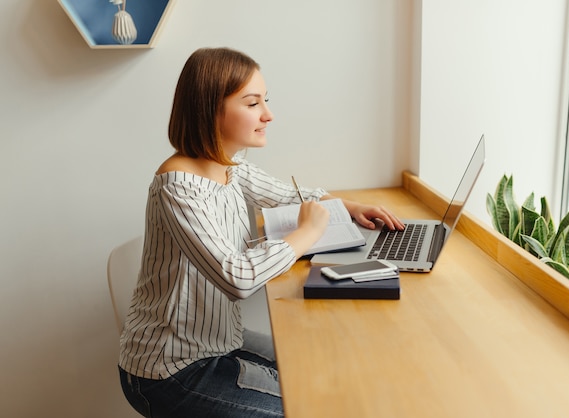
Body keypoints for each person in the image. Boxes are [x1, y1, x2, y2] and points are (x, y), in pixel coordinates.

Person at [118, 47, 405, 418]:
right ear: (209, 109)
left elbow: (290, 194)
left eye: (264, 101)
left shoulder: (230, 167)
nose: (268, 115)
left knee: (325, 377)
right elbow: (237, 277)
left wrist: (348, 207)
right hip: (169, 371)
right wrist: (306, 232)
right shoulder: (178, 186)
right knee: (306, 407)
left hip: (220, 343)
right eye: (252, 103)